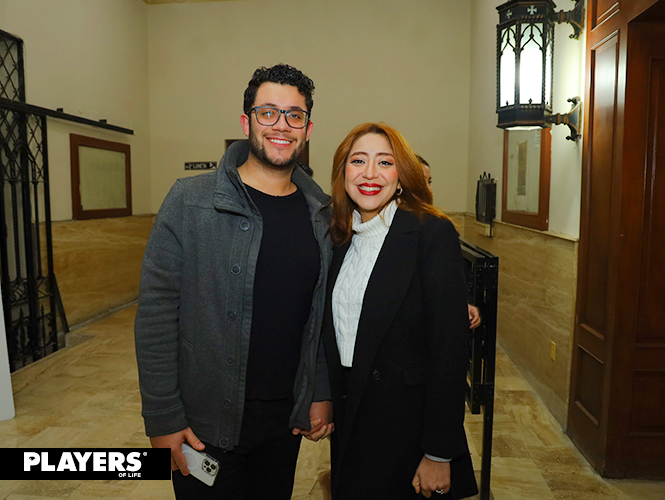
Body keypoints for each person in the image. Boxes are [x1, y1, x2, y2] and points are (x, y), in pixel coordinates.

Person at [134, 64, 334, 500]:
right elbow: (156, 314)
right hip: (205, 424)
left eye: (294, 115)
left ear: (307, 129)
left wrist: (318, 390)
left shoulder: (321, 214)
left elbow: (320, 317)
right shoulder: (190, 201)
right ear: (246, 123)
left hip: (283, 423)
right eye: (268, 112)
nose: (282, 125)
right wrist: (163, 417)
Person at [322, 123, 478, 499]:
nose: (370, 173)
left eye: (384, 162)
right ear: (343, 173)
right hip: (351, 414)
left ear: (401, 177)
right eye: (358, 161)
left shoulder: (430, 233)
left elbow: (449, 350)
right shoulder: (339, 237)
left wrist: (439, 452)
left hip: (407, 425)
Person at [416, 154, 481, 330]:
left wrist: (461, 304)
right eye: (422, 182)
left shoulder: (438, 228)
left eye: (429, 182)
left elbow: (445, 289)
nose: (429, 190)